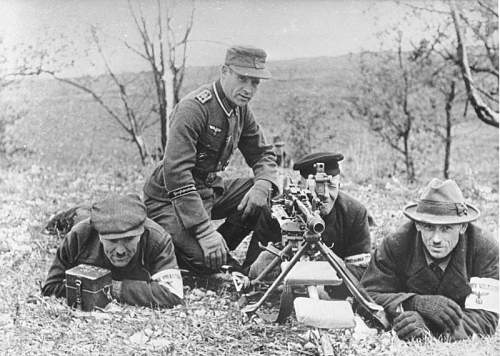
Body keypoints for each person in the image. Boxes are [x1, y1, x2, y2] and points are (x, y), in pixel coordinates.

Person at [143, 45, 278, 274]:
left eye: (255, 82)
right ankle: (210, 254)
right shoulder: (194, 108)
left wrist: (263, 185)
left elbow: (262, 153)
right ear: (224, 71)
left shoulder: (240, 109)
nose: (248, 89)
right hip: (170, 198)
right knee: (204, 263)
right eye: (243, 78)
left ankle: (252, 271)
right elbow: (176, 174)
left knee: (267, 196)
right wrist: (205, 231)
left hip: (209, 189)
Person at [361, 178, 499, 341]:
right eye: (428, 227)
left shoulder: (484, 249)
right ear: (418, 224)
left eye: (446, 228)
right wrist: (414, 302)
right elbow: (367, 296)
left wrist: (430, 328)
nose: (436, 239)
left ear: (462, 227)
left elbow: (486, 317)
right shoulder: (396, 244)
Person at [246, 152, 372, 282]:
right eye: (317, 188)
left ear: (339, 186)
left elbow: (363, 275)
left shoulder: (354, 212)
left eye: (332, 186)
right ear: (300, 187)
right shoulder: (278, 209)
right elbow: (251, 268)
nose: (326, 195)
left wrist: (327, 265)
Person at [42, 194, 184, 308]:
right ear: (99, 235)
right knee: (71, 217)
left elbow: (172, 294)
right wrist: (94, 288)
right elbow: (51, 287)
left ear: (141, 233)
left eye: (129, 239)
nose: (120, 251)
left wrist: (114, 289)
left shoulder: (157, 239)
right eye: (112, 241)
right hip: (81, 216)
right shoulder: (80, 235)